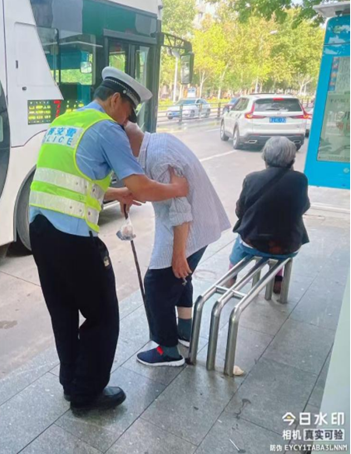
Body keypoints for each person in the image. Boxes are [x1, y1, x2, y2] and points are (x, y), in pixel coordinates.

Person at [29, 67, 189, 412]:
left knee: (63, 312)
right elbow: (142, 186)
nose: (128, 119)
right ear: (116, 99)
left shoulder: (64, 122)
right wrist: (176, 189)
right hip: (72, 239)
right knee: (103, 315)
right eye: (129, 110)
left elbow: (72, 182)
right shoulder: (107, 128)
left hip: (40, 232)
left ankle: (71, 382)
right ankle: (87, 393)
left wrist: (117, 193)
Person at [124, 125, 230, 367]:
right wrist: (128, 193)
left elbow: (181, 212)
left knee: (156, 285)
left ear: (126, 144)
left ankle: (168, 350)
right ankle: (185, 331)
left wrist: (179, 254)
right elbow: (157, 189)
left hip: (188, 228)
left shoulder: (159, 158)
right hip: (199, 224)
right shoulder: (157, 143)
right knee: (181, 278)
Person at [228, 136, 310, 293]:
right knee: (280, 239)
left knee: (239, 242)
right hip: (288, 245)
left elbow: (240, 211)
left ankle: (231, 277)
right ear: (291, 158)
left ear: (265, 156)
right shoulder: (300, 180)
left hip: (253, 243)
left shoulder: (252, 178)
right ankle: (277, 280)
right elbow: (304, 207)